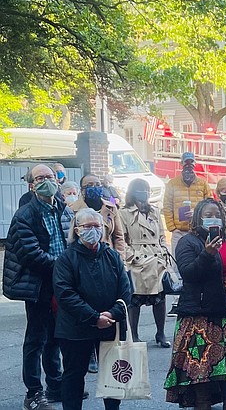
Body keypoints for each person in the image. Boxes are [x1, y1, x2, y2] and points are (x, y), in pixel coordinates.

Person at [164, 198, 226, 410]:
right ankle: (203, 405)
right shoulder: (188, 241)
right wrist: (207, 254)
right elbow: (188, 273)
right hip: (204, 313)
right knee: (203, 366)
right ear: (198, 218)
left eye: (216, 215)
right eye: (207, 215)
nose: (212, 219)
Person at [52, 208, 132, 410]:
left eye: (97, 226)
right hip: (75, 328)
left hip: (109, 325)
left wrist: (113, 313)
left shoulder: (112, 256)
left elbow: (125, 290)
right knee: (74, 374)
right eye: (88, 226)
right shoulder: (66, 259)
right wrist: (94, 317)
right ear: (77, 230)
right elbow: (66, 295)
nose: (93, 230)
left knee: (112, 373)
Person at [2, 164, 66, 410]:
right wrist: (64, 267)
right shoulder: (25, 215)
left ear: (58, 180)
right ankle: (33, 394)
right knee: (36, 339)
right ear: (31, 185)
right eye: (40, 178)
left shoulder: (62, 209)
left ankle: (56, 385)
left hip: (60, 283)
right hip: (39, 285)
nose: (46, 181)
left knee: (55, 337)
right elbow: (31, 254)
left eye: (49, 177)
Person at [69, 173, 126, 373]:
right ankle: (90, 354)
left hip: (108, 262)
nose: (94, 187)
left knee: (110, 306)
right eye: (89, 185)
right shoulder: (72, 209)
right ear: (82, 189)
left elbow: (119, 236)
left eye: (97, 184)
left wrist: (119, 259)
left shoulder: (110, 207)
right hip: (83, 263)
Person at [118, 178, 171, 347]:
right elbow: (121, 239)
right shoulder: (124, 213)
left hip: (156, 259)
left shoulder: (154, 211)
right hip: (137, 260)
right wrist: (132, 255)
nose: (145, 193)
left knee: (160, 298)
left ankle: (160, 333)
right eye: (141, 189)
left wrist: (163, 252)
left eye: (146, 189)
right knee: (135, 299)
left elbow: (162, 235)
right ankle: (134, 334)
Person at [162, 151, 211, 316]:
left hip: (198, 232)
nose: (189, 167)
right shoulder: (172, 184)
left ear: (195, 165)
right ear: (181, 165)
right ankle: (178, 301)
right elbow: (167, 206)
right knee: (178, 266)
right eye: (186, 164)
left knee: (198, 264)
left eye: (191, 164)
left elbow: (209, 205)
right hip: (180, 232)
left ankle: (198, 297)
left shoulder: (203, 184)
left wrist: (200, 219)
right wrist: (172, 227)